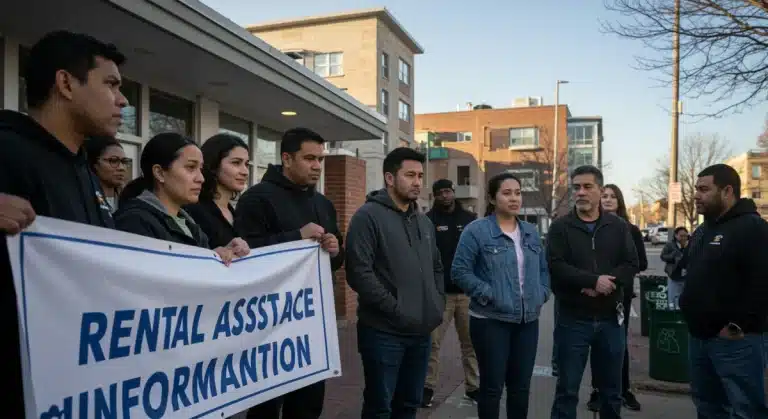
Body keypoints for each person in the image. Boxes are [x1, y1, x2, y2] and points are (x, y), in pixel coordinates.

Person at [0, 30, 128, 418]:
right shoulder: (8, 148)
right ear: (66, 83)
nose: (123, 100)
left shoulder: (82, 169)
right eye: (110, 84)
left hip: (67, 382)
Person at [234, 127, 343, 419]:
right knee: (266, 409)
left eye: (320, 159)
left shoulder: (323, 204)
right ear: (286, 158)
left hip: (312, 324)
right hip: (270, 326)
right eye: (309, 158)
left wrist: (334, 248)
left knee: (308, 407)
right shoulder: (256, 198)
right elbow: (246, 254)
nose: (317, 166)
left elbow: (335, 261)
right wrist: (296, 236)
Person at [345, 147, 444, 419]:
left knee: (409, 405)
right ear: (390, 178)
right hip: (383, 332)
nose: (417, 182)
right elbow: (359, 273)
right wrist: (397, 310)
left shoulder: (423, 222)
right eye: (409, 175)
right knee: (380, 407)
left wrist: (436, 304)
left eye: (420, 175)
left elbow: (436, 266)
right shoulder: (367, 217)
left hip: (420, 332)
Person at [452, 172, 550, 419]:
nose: (514, 198)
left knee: (521, 387)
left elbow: (542, 270)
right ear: (493, 198)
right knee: (492, 387)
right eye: (507, 193)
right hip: (491, 321)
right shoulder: (477, 231)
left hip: (527, 322)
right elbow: (459, 271)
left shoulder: (530, 231)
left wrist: (541, 293)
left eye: (517, 193)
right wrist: (489, 293)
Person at [548, 165, 639, 419]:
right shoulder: (560, 227)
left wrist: (608, 283)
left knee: (612, 391)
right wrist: (590, 281)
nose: (581, 192)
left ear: (600, 190)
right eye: (576, 187)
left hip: (611, 320)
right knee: (567, 390)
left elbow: (631, 263)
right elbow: (556, 266)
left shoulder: (618, 226)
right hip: (572, 320)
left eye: (587, 187)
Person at [679, 164, 768, 418]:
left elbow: (762, 283)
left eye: (704, 189)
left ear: (728, 191)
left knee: (745, 409)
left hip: (737, 342)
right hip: (699, 338)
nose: (696, 195)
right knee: (708, 406)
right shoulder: (702, 231)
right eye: (696, 189)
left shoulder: (753, 228)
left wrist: (737, 325)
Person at [114, 133, 248, 263]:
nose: (201, 178)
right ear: (159, 173)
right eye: (191, 167)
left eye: (200, 169)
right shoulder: (134, 221)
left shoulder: (188, 223)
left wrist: (216, 256)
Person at [586, 184, 648, 412]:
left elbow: (640, 262)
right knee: (597, 343)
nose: (609, 199)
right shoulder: (592, 228)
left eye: (613, 196)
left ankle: (623, 389)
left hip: (620, 295)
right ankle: (597, 390)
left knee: (618, 346)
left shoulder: (629, 229)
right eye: (604, 196)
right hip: (595, 293)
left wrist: (615, 275)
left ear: (620, 201)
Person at [422, 179, 479, 407]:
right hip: (441, 294)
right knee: (432, 343)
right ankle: (427, 388)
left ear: (454, 193)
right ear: (435, 196)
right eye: (440, 193)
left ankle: (474, 387)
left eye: (448, 191)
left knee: (470, 343)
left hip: (466, 294)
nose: (445, 196)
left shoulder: (470, 220)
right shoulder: (427, 222)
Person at [185, 133, 250, 249]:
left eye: (246, 164)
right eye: (236, 163)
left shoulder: (235, 213)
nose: (245, 171)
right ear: (214, 165)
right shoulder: (194, 210)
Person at [85, 136, 129, 213]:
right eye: (113, 161)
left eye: (124, 161)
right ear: (95, 164)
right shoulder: (84, 200)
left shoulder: (130, 201)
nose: (121, 168)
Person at [660, 226, 688, 307]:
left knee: (683, 297)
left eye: (685, 236)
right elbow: (663, 256)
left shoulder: (689, 245)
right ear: (676, 235)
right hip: (673, 274)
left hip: (686, 275)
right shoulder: (670, 245)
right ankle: (672, 312)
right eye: (681, 236)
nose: (683, 238)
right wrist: (673, 256)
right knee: (672, 297)